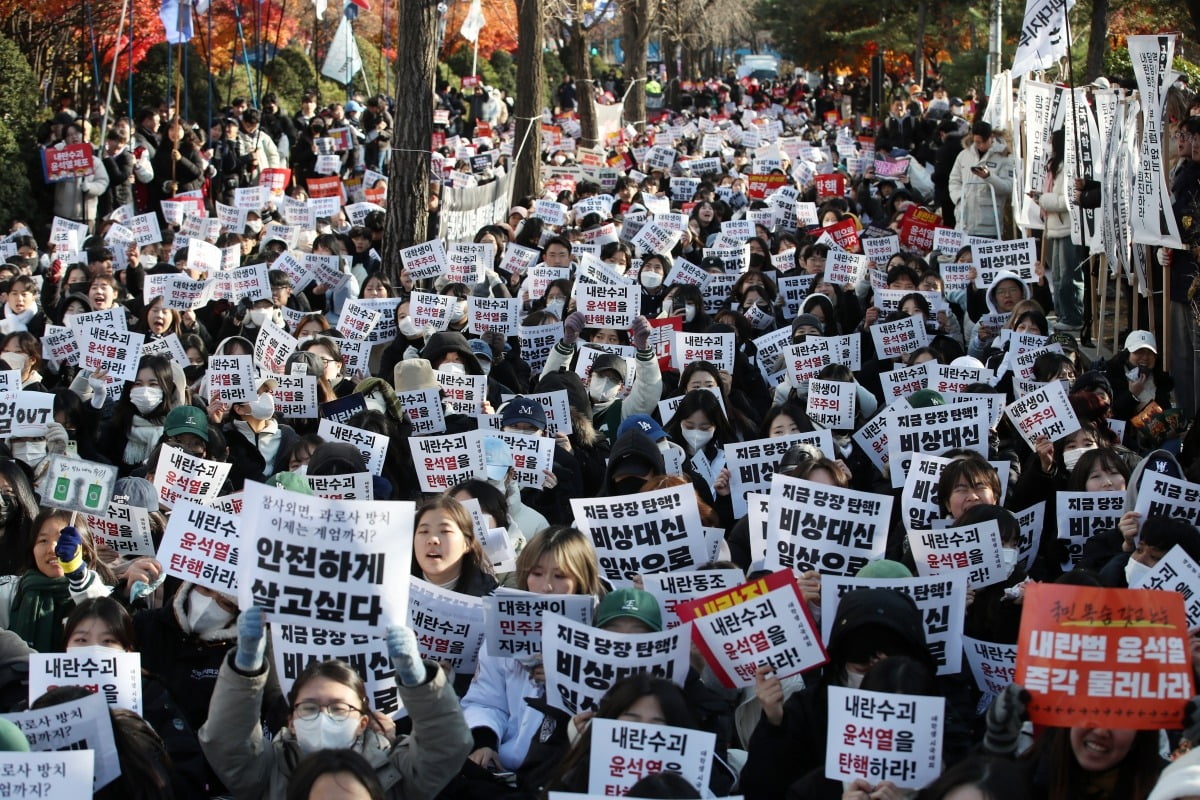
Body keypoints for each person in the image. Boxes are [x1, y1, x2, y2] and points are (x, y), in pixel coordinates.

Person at [199, 608, 471, 799]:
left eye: (339, 708)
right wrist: (246, 668)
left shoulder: (397, 770)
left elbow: (447, 746)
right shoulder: (265, 771)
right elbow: (227, 741)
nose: (323, 716)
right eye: (309, 707)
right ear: (291, 720)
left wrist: (418, 680)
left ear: (363, 722)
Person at [0, 511, 113, 652]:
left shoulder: (101, 592)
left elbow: (109, 624)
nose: (52, 549)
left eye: (63, 539)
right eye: (43, 541)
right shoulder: (9, 591)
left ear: (84, 549)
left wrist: (76, 573)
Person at [948, 122, 1014, 239]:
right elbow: (954, 180)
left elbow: (1008, 187)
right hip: (963, 221)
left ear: (992, 137)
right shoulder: (963, 155)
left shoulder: (1004, 157)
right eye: (977, 142)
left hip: (988, 225)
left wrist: (989, 177)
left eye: (984, 142)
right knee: (963, 257)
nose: (981, 146)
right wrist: (959, 198)